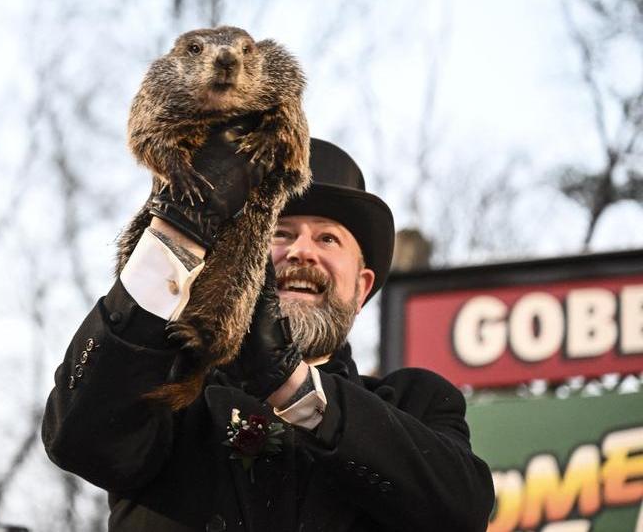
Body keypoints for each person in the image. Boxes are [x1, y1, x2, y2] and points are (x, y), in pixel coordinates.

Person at [42, 125, 495, 531]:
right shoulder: (171, 385)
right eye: (280, 233)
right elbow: (79, 437)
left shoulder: (417, 403)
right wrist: (176, 234)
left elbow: (461, 510)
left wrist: (290, 383)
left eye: (327, 238)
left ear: (361, 288)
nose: (301, 251)